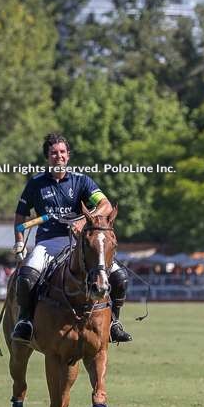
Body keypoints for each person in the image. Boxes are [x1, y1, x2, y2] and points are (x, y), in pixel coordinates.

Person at [11, 133, 133, 344]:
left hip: (80, 244)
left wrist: (84, 221)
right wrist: (20, 241)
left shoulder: (81, 181)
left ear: (68, 155)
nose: (58, 156)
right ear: (47, 157)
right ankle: (25, 322)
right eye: (53, 153)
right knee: (26, 276)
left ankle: (114, 323)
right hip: (48, 243)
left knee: (119, 277)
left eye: (62, 152)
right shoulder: (36, 184)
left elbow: (105, 205)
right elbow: (20, 215)